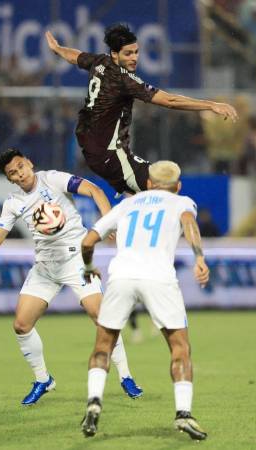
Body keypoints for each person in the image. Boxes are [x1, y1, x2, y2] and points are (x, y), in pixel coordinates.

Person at [0, 148, 142, 405]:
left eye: (20, 166)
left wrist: (106, 223)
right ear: (10, 179)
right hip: (45, 267)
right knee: (21, 325)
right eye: (12, 173)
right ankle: (43, 380)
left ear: (29, 163)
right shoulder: (13, 203)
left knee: (101, 318)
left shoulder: (53, 179)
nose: (19, 173)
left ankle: (126, 376)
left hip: (76, 260)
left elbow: (94, 190)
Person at [79, 161, 210, 440]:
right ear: (178, 186)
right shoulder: (181, 202)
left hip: (121, 277)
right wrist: (199, 257)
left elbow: (87, 242)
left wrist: (89, 268)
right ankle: (184, 414)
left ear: (149, 183)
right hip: (159, 278)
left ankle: (93, 401)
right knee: (180, 348)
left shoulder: (127, 205)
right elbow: (190, 224)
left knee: (103, 344)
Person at [45, 24, 238, 195]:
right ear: (115, 54)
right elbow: (169, 100)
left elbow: (75, 56)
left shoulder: (100, 62)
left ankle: (125, 227)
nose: (134, 58)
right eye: (128, 54)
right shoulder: (126, 80)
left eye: (136, 52)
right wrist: (211, 105)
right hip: (111, 155)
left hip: (92, 151)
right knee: (164, 187)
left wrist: (58, 49)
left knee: (140, 198)